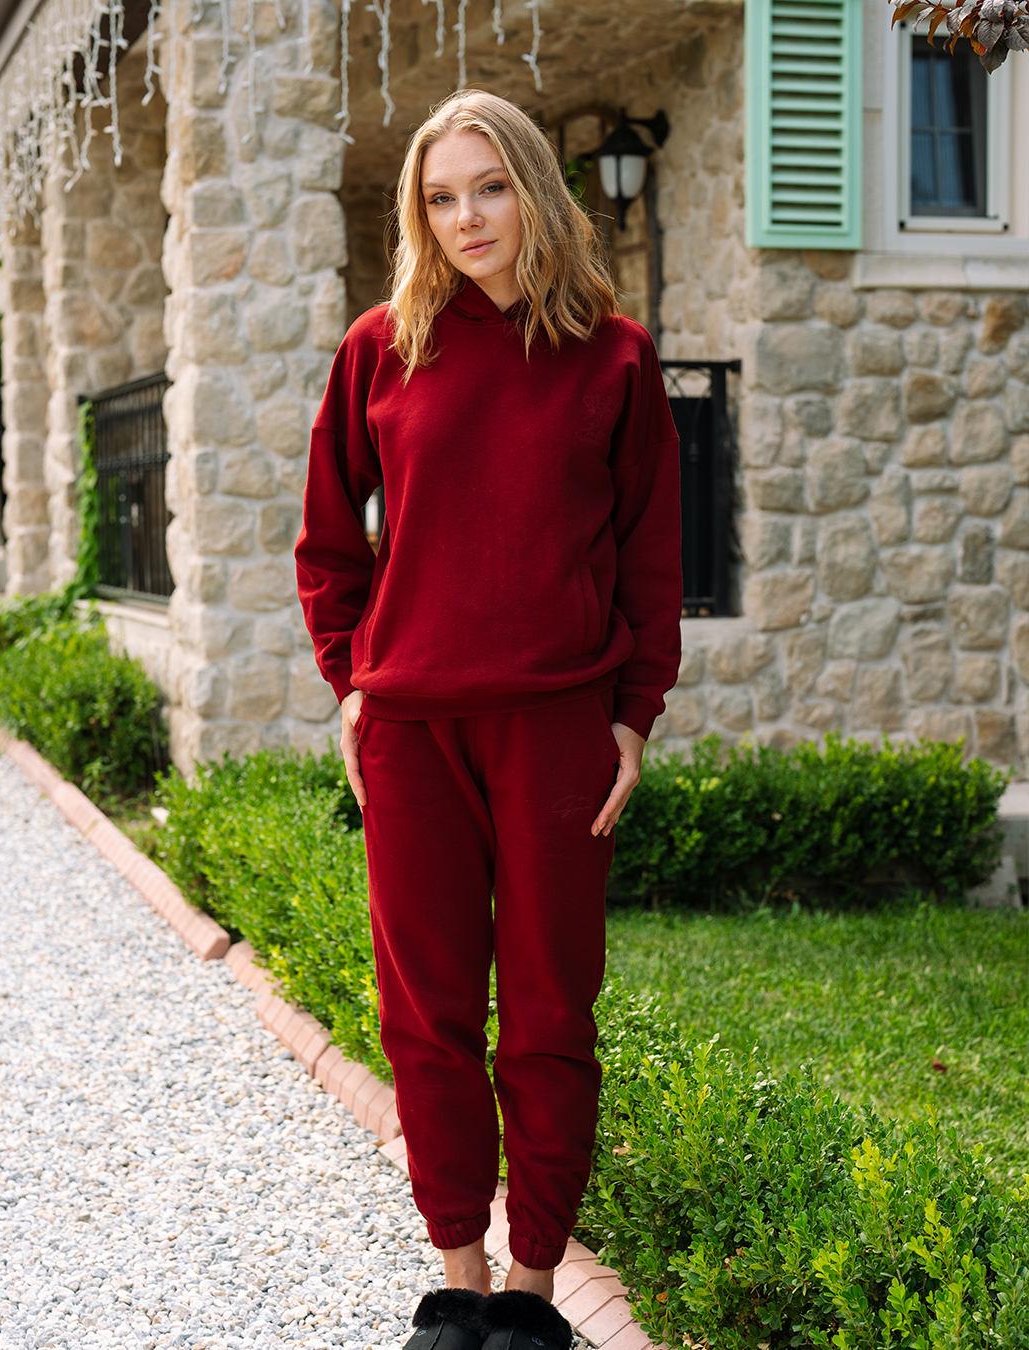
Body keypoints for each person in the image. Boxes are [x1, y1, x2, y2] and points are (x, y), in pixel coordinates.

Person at [295, 89, 682, 1350]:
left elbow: (650, 556)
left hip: (559, 728)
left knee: (553, 1013)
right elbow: (326, 542)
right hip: (413, 733)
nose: (467, 218)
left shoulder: (614, 357)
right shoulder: (381, 349)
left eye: (490, 187)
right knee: (428, 1015)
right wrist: (353, 682)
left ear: (535, 191)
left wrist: (634, 715)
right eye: (441, 197)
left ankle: (532, 1293)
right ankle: (458, 1281)